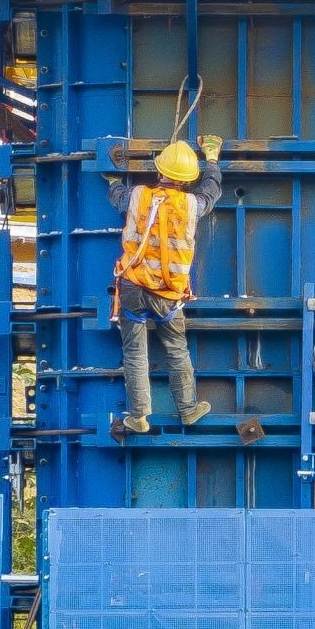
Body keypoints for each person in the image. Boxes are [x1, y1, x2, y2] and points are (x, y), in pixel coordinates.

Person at [107, 135, 223, 439]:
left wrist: (112, 181)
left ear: (160, 171)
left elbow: (119, 198)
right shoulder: (192, 205)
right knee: (176, 349)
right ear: (187, 179)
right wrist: (212, 159)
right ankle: (188, 409)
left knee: (135, 352)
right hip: (168, 295)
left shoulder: (137, 196)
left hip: (133, 287)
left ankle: (138, 417)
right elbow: (211, 192)